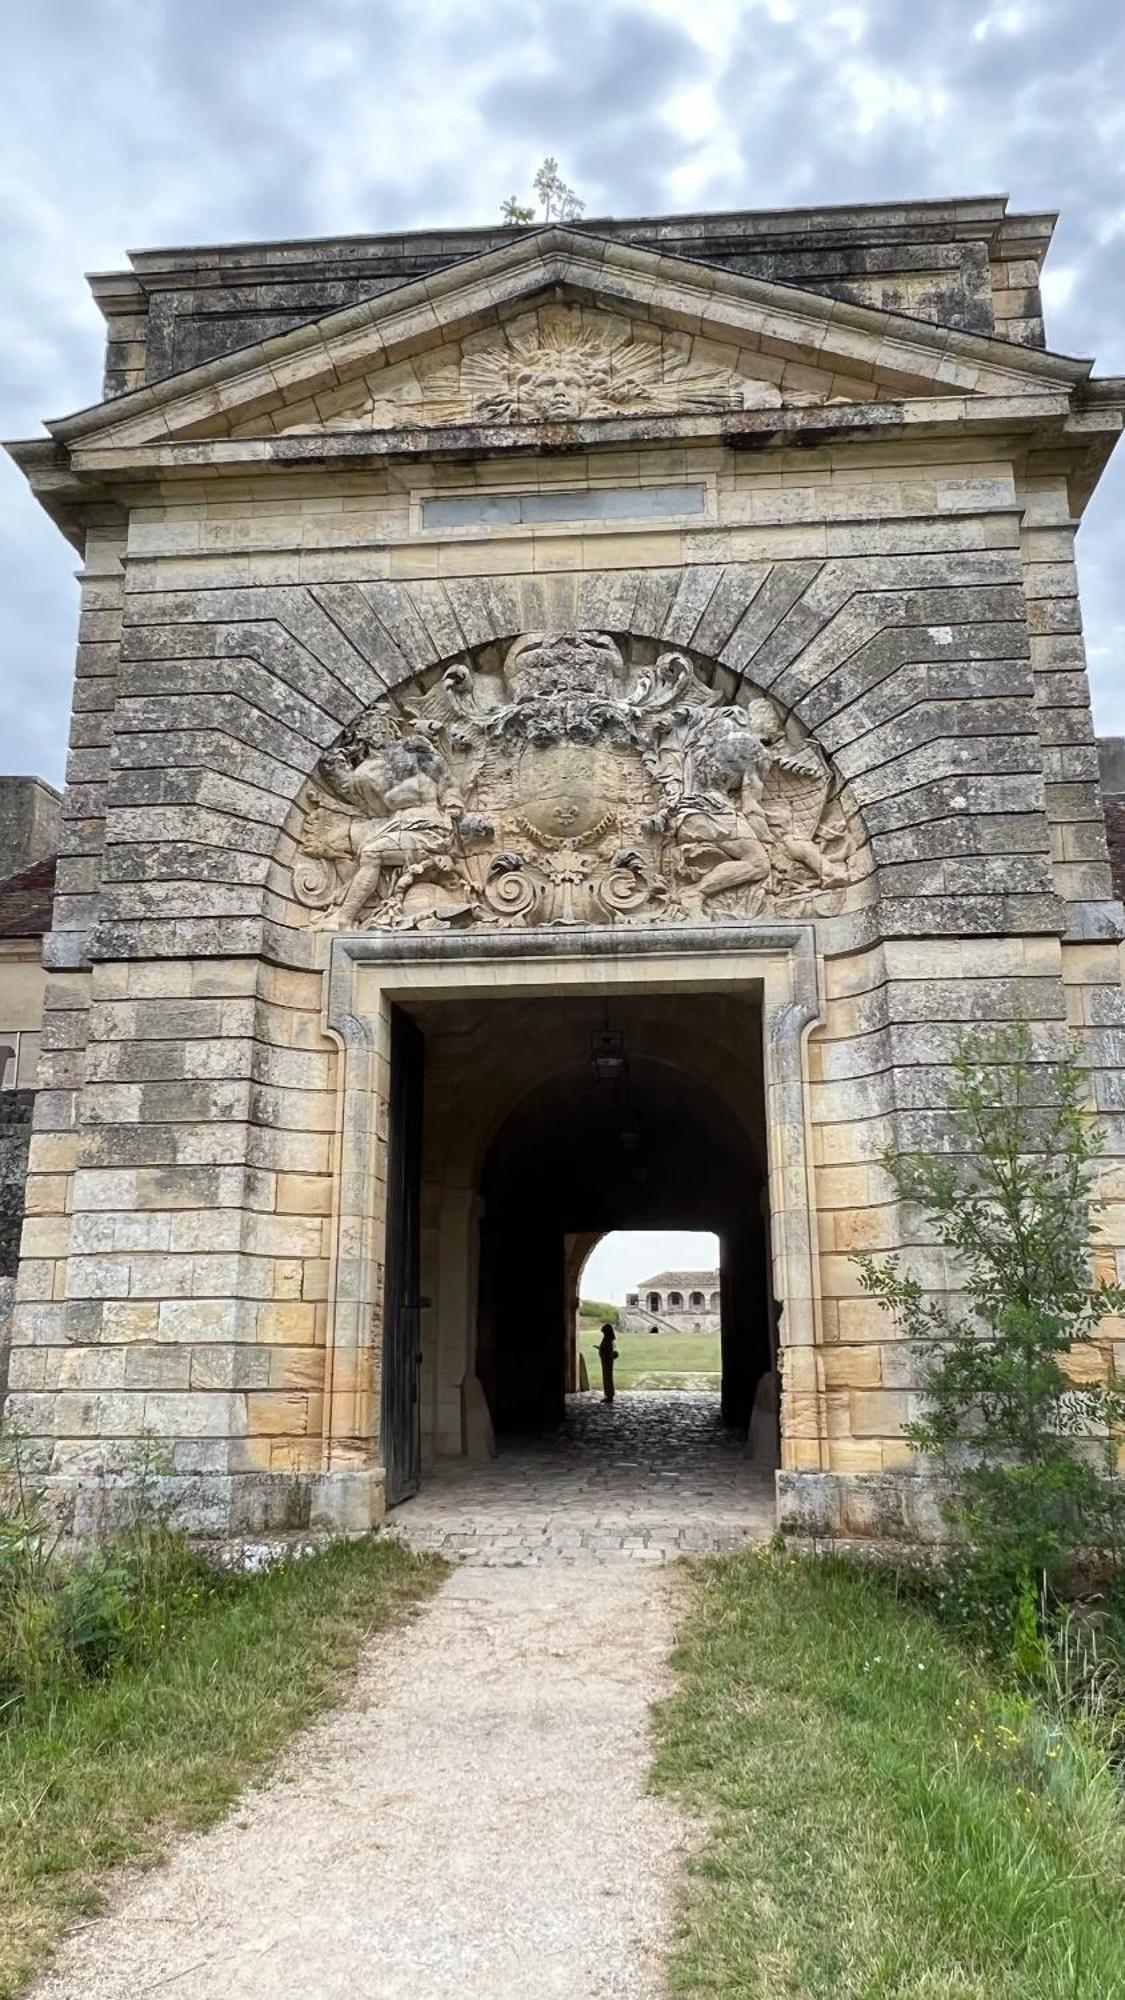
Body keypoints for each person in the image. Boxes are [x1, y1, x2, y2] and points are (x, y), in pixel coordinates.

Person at [597, 1322, 618, 1405]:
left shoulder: (607, 1339)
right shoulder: (608, 1338)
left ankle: (609, 1395)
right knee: (608, 1378)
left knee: (607, 1378)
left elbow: (607, 1351)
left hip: (607, 1361)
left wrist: (601, 1349)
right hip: (607, 1361)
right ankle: (609, 1395)